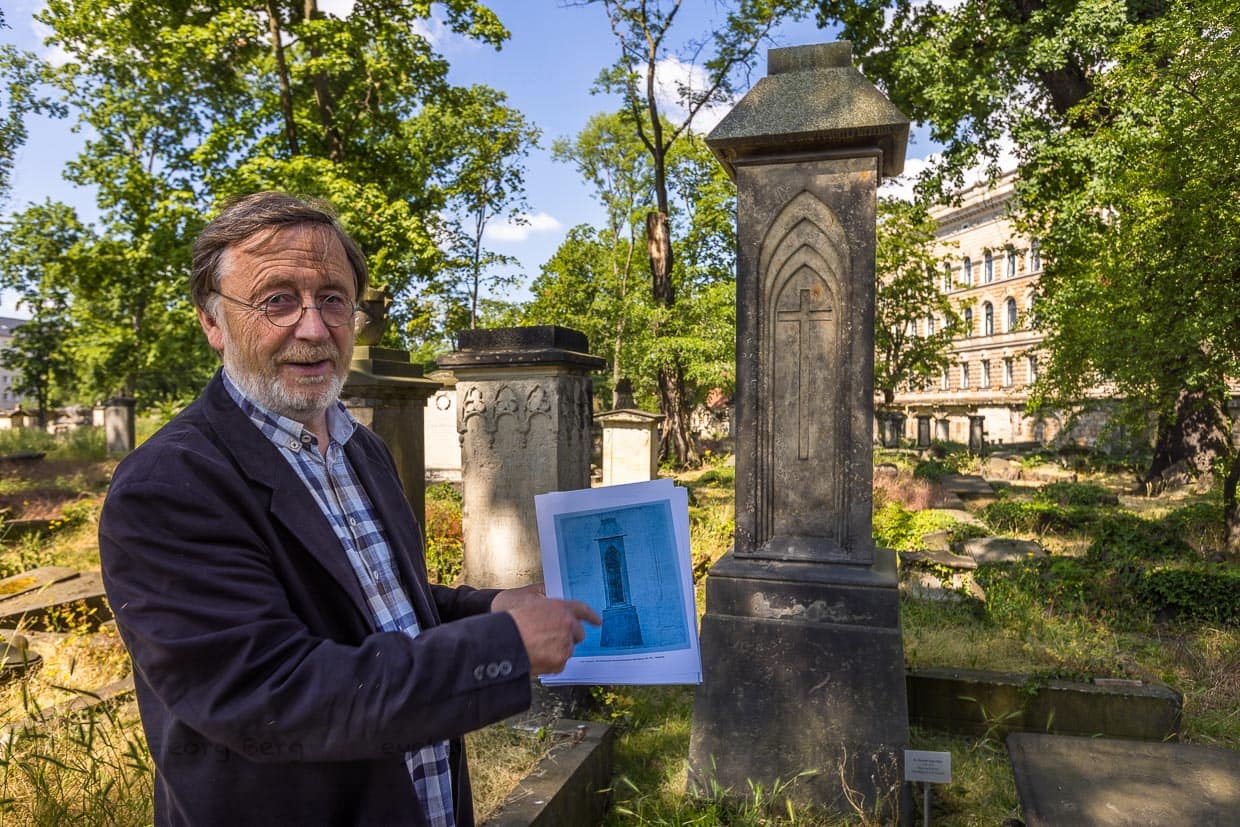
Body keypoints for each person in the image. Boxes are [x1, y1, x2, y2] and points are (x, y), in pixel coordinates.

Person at [98, 191, 601, 827]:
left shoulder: (359, 447)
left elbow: (376, 604)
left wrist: (492, 605)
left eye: (333, 299)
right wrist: (502, 645)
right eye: (277, 300)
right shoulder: (168, 485)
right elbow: (270, 693)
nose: (314, 329)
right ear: (213, 324)